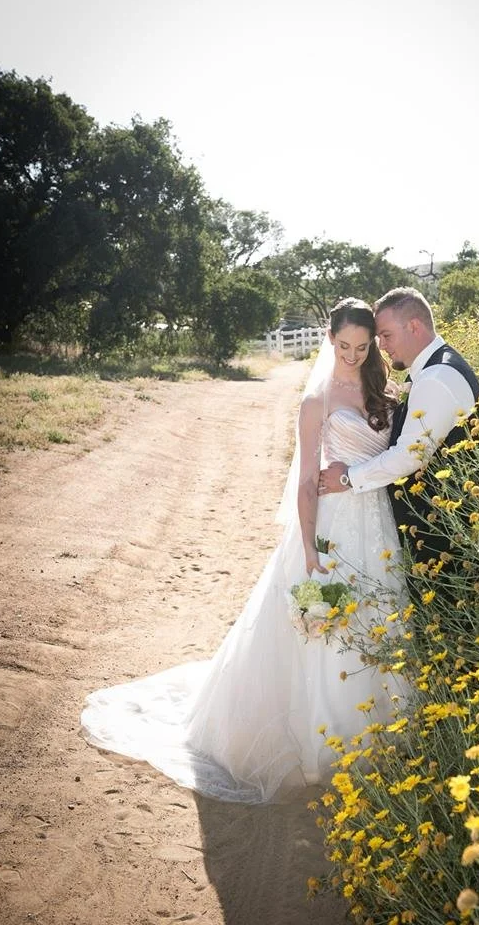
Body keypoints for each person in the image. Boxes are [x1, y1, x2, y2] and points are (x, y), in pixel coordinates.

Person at [81, 298, 404, 804]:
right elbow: (304, 483)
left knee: (376, 615)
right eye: (344, 346)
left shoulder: (382, 389)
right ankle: (324, 744)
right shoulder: (316, 401)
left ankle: (378, 735)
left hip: (377, 523)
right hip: (333, 529)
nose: (352, 355)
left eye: (362, 348)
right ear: (329, 339)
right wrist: (309, 550)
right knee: (327, 628)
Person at [318, 287, 479, 605]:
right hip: (438, 525)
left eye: (386, 335)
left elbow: (410, 456)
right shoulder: (433, 369)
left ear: (413, 327)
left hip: (446, 531)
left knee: (444, 624)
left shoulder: (437, 377)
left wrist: (348, 477)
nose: (381, 346)